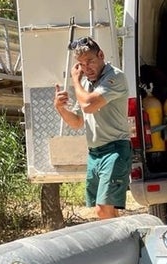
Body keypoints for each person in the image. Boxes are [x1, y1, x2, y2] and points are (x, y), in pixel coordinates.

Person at [53, 36, 131, 219]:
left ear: (101, 55)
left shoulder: (115, 77)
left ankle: (117, 245)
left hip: (115, 150)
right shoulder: (87, 84)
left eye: (90, 61)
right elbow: (77, 122)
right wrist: (59, 107)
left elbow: (88, 105)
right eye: (81, 64)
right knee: (106, 211)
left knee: (102, 209)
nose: (86, 68)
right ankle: (121, 243)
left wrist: (75, 81)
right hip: (94, 153)